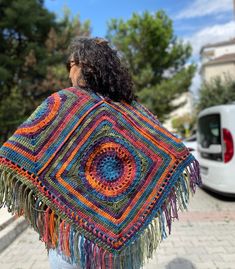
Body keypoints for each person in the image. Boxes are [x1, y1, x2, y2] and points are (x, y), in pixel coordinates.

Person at [0, 37, 201, 269]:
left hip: (74, 242)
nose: (68, 74)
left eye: (70, 65)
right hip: (126, 248)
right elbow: (170, 155)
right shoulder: (135, 111)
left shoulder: (61, 103)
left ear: (82, 66)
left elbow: (13, 155)